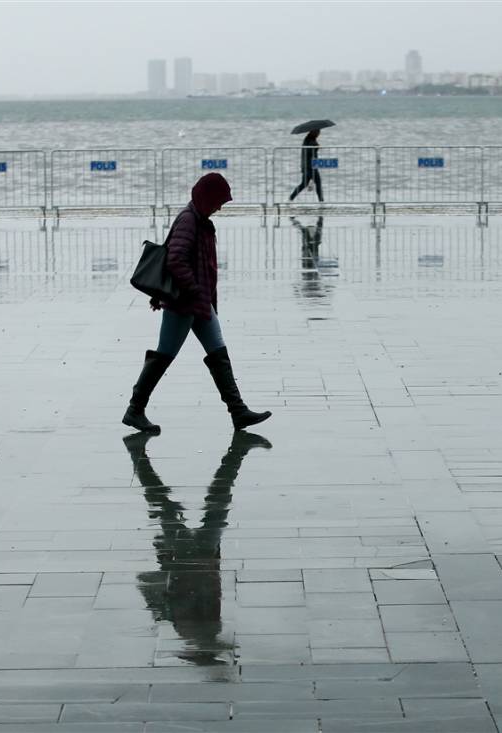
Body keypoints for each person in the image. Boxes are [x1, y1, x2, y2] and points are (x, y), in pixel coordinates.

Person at [122, 172, 271, 434]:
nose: (220, 207)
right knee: (164, 355)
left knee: (218, 353)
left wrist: (201, 296)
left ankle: (238, 412)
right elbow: (175, 259)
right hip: (184, 303)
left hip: (198, 303)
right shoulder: (189, 221)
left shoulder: (199, 219)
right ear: (207, 197)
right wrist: (194, 290)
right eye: (218, 201)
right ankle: (135, 409)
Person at [125, 430, 271, 665]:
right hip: (200, 557)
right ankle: (139, 459)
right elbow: (208, 590)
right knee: (201, 506)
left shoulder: (192, 629)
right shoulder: (203, 629)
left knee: (184, 507)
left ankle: (138, 458)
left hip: (191, 558)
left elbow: (188, 591)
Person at [288, 129, 323, 202]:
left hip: (307, 166)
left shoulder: (307, 140)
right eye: (318, 132)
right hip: (310, 166)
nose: (319, 134)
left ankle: (291, 198)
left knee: (304, 184)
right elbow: (310, 151)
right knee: (317, 183)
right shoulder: (310, 141)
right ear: (314, 133)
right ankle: (321, 200)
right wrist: (316, 146)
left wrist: (316, 146)